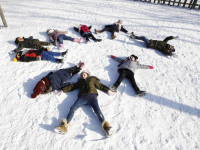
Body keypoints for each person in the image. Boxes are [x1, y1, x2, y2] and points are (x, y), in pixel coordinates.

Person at [54, 70, 115, 136]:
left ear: (87, 75)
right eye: (82, 75)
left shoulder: (92, 79)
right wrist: (63, 90)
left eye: (84, 74)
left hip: (92, 97)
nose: (83, 76)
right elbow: (72, 86)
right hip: (82, 98)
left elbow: (100, 85)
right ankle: (64, 127)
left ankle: (107, 128)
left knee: (98, 111)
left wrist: (108, 90)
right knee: (72, 108)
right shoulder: (80, 81)